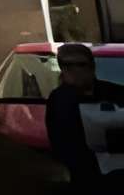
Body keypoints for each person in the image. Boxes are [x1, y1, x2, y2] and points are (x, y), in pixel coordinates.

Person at [49, 42, 121, 192]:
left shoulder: (114, 93)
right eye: (67, 65)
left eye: (80, 64)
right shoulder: (60, 99)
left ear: (91, 66)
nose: (74, 70)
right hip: (84, 177)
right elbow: (59, 141)